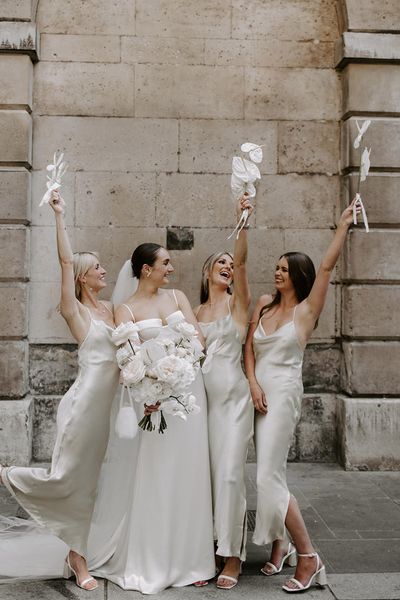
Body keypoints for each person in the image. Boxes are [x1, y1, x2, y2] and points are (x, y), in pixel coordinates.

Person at [0, 191, 120, 590]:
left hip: (112, 409)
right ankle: (77, 556)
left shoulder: (113, 312)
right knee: (76, 480)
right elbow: (65, 260)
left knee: (100, 483)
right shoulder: (77, 311)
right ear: (83, 277)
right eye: (98, 268)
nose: (105, 271)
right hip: (85, 407)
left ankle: (86, 549)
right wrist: (59, 215)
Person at [244, 200, 361, 593]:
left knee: (267, 477)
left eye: (283, 268)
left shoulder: (307, 311)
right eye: (275, 267)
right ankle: (282, 545)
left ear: (298, 275)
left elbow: (327, 267)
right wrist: (253, 385)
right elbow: (248, 348)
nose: (277, 272)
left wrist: (343, 225)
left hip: (284, 394)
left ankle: (308, 556)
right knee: (270, 473)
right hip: (258, 395)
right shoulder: (263, 305)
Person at [90, 243, 215, 594]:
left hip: (189, 398)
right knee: (157, 476)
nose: (171, 268)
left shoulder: (177, 297)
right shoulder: (125, 309)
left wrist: (180, 370)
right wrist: (153, 387)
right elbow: (128, 360)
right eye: (165, 263)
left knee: (189, 475)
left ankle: (193, 559)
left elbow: (198, 340)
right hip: (155, 403)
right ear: (146, 269)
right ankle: (152, 559)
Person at [194, 195, 254, 589]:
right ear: (207, 271)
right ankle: (207, 549)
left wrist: (243, 221)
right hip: (202, 405)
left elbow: (245, 262)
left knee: (230, 474)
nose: (228, 268)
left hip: (234, 400)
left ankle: (232, 556)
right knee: (205, 478)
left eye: (230, 266)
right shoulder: (195, 314)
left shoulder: (239, 305)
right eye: (222, 264)